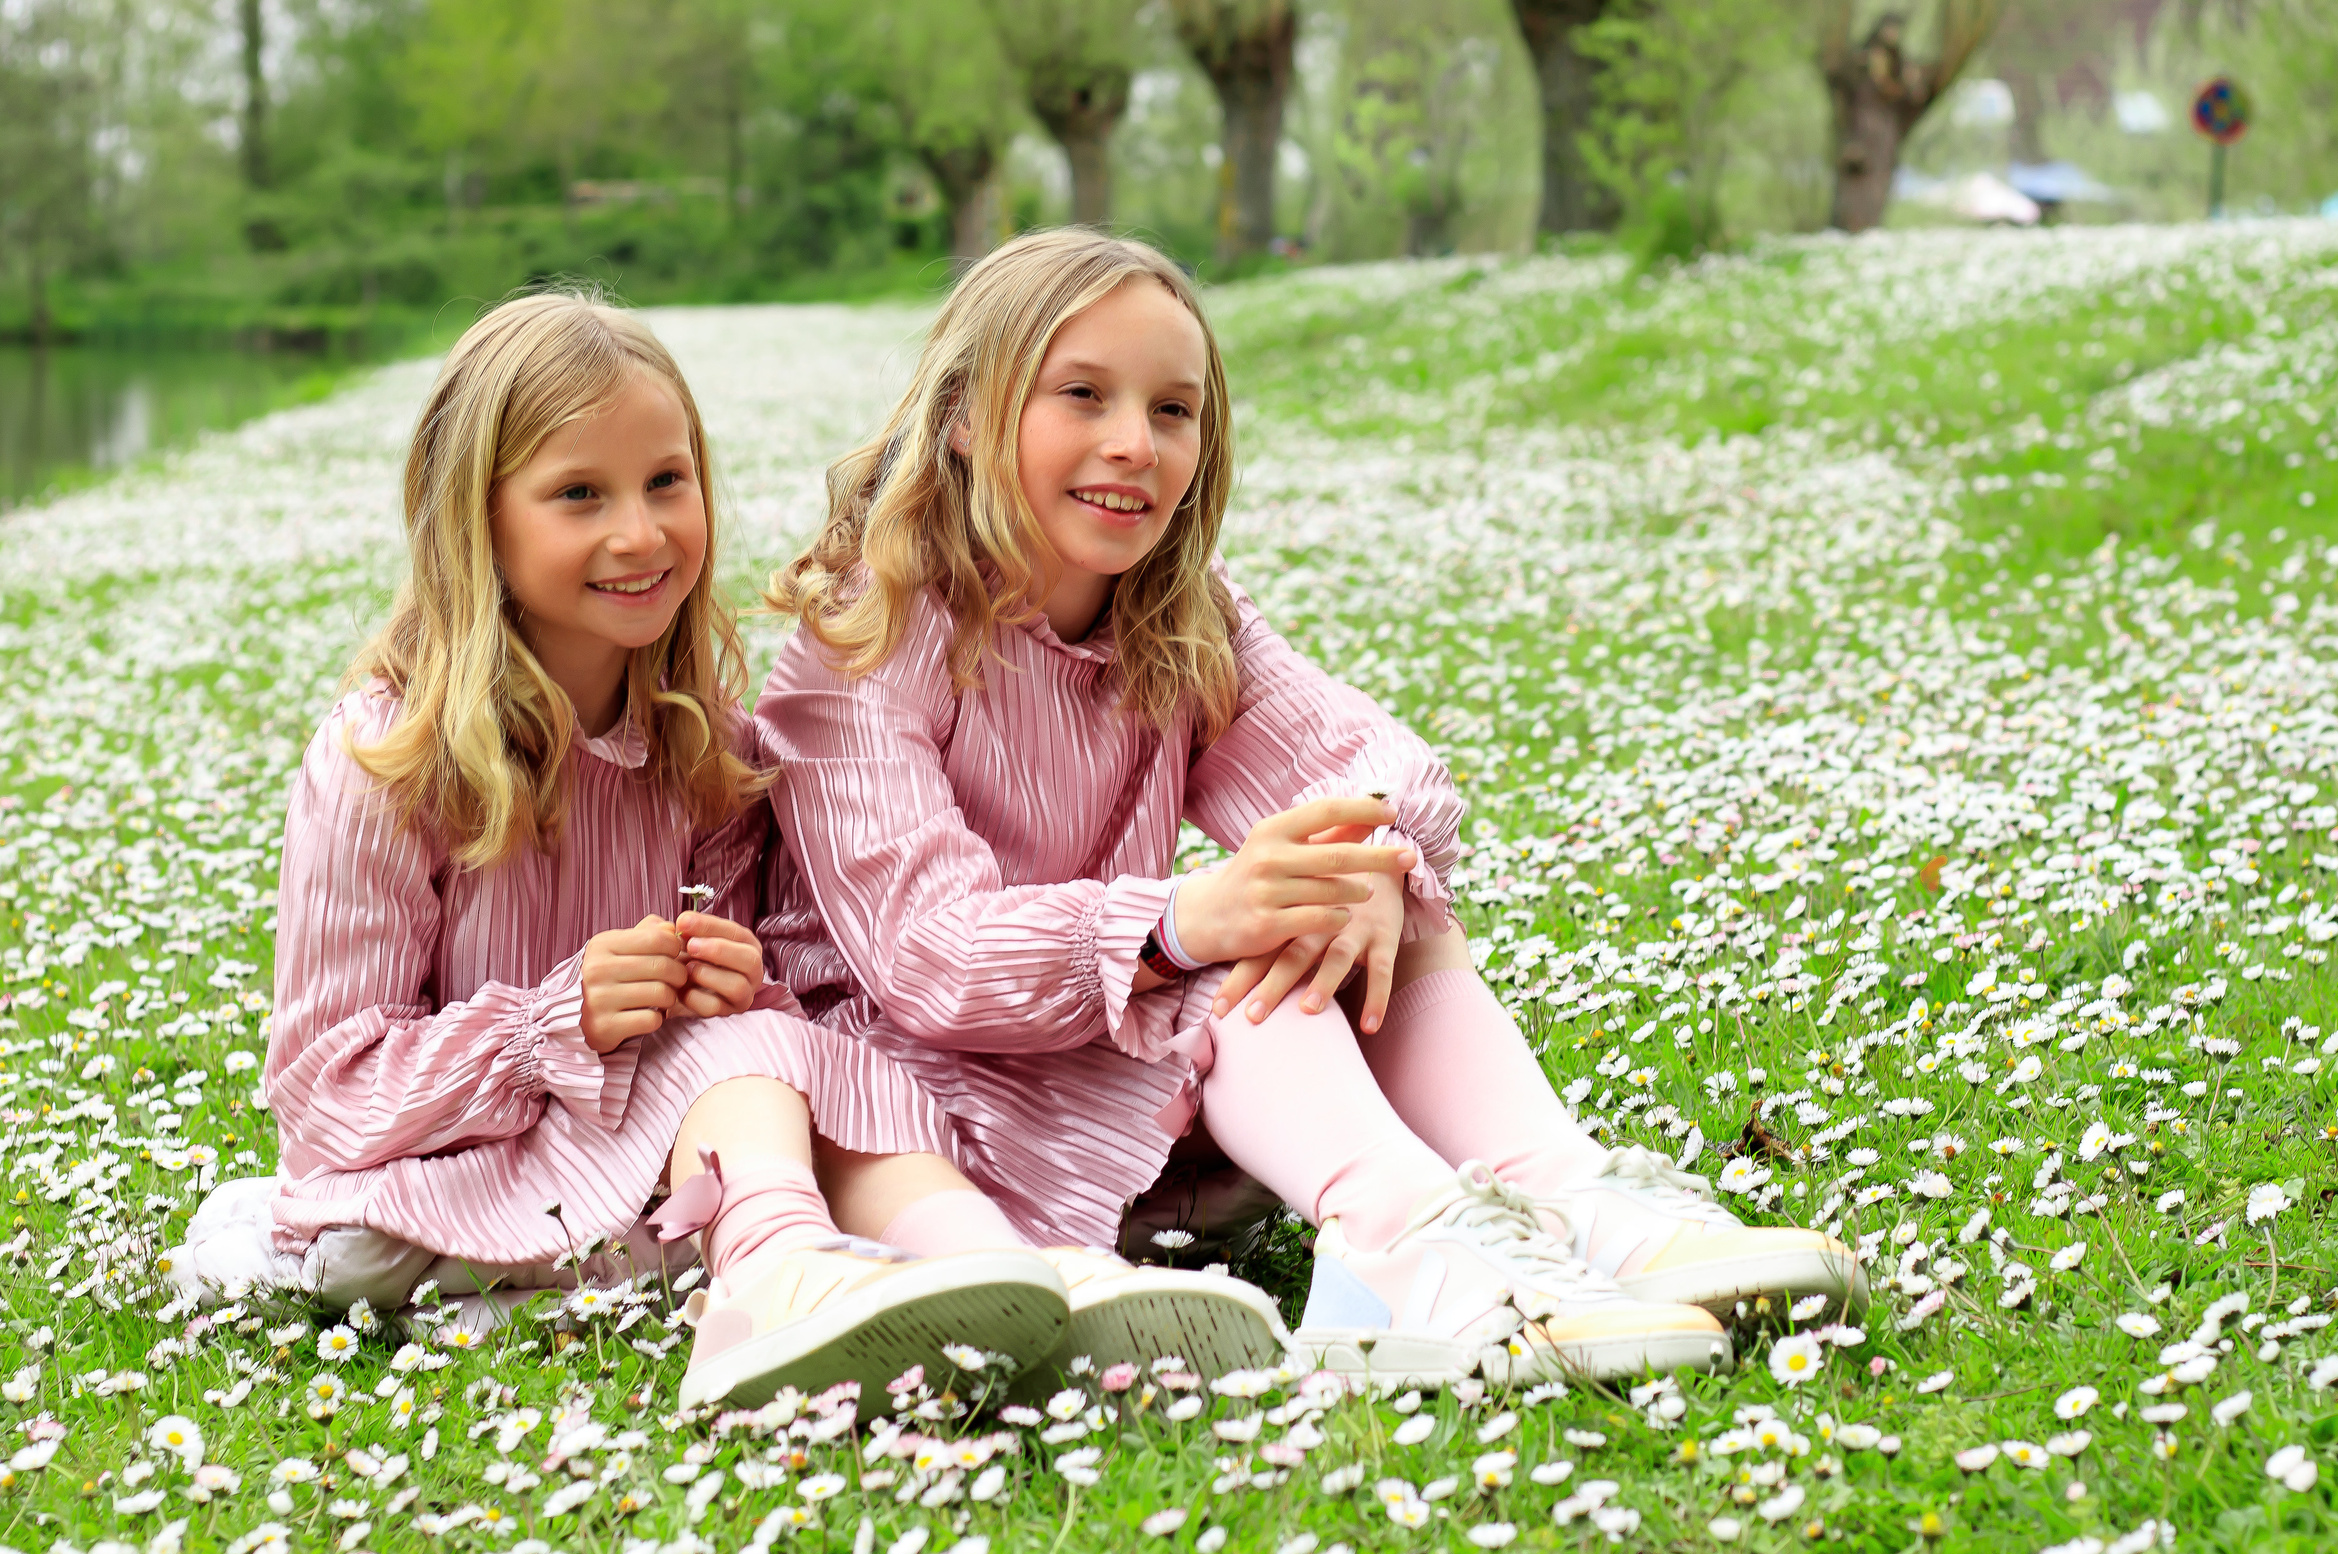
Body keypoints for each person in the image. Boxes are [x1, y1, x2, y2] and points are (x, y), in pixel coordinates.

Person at [756, 230, 1868, 1386]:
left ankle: (1560, 1192)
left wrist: (1364, 855)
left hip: (1123, 1087)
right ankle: (1397, 1242)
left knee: (1359, 874)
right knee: (1222, 938)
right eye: (1081, 395)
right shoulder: (864, 639)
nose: (1134, 444)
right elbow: (927, 956)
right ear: (967, 419)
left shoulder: (1178, 617)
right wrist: (1185, 919)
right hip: (922, 1103)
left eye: (1174, 410)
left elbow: (1371, 761)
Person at [258, 290, 1279, 1412]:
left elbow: (770, 1018)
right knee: (738, 1050)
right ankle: (780, 1275)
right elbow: (323, 1094)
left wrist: (735, 979)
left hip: (673, 1158)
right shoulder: (382, 761)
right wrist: (560, 1019)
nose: (639, 534)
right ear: (477, 521)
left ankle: (1005, 1267)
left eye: (666, 482)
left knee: (807, 1038)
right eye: (577, 496)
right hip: (453, 1173)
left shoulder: (708, 752)